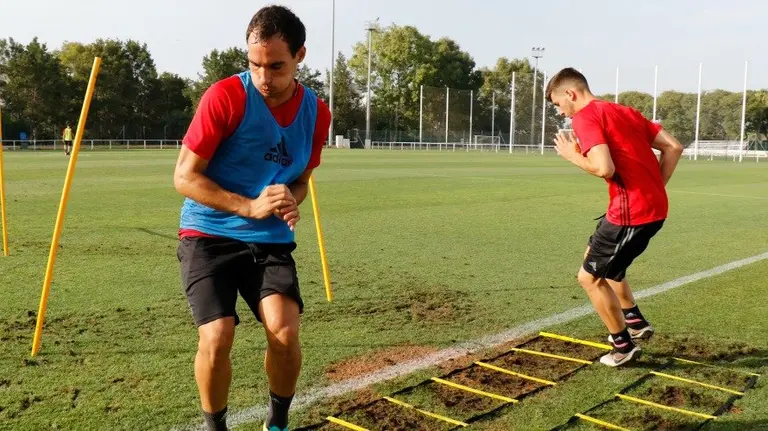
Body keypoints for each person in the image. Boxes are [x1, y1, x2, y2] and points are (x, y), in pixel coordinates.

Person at [173, 5, 331, 430]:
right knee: (217, 335)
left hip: (269, 240)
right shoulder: (224, 96)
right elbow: (185, 177)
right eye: (255, 64)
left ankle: (277, 424)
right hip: (208, 233)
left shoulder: (317, 112)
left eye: (276, 66)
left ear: (301, 56)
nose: (264, 78)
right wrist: (247, 206)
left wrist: (292, 197)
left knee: (285, 333)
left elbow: (301, 179)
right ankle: (215, 427)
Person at [546, 68, 683, 367]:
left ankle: (623, 346)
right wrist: (653, 188)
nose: (561, 112)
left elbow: (604, 168)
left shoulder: (585, 117)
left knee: (589, 277)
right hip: (640, 209)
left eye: (558, 104)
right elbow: (673, 147)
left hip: (630, 214)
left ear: (570, 93)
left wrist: (572, 155)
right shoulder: (624, 111)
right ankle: (635, 322)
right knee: (600, 260)